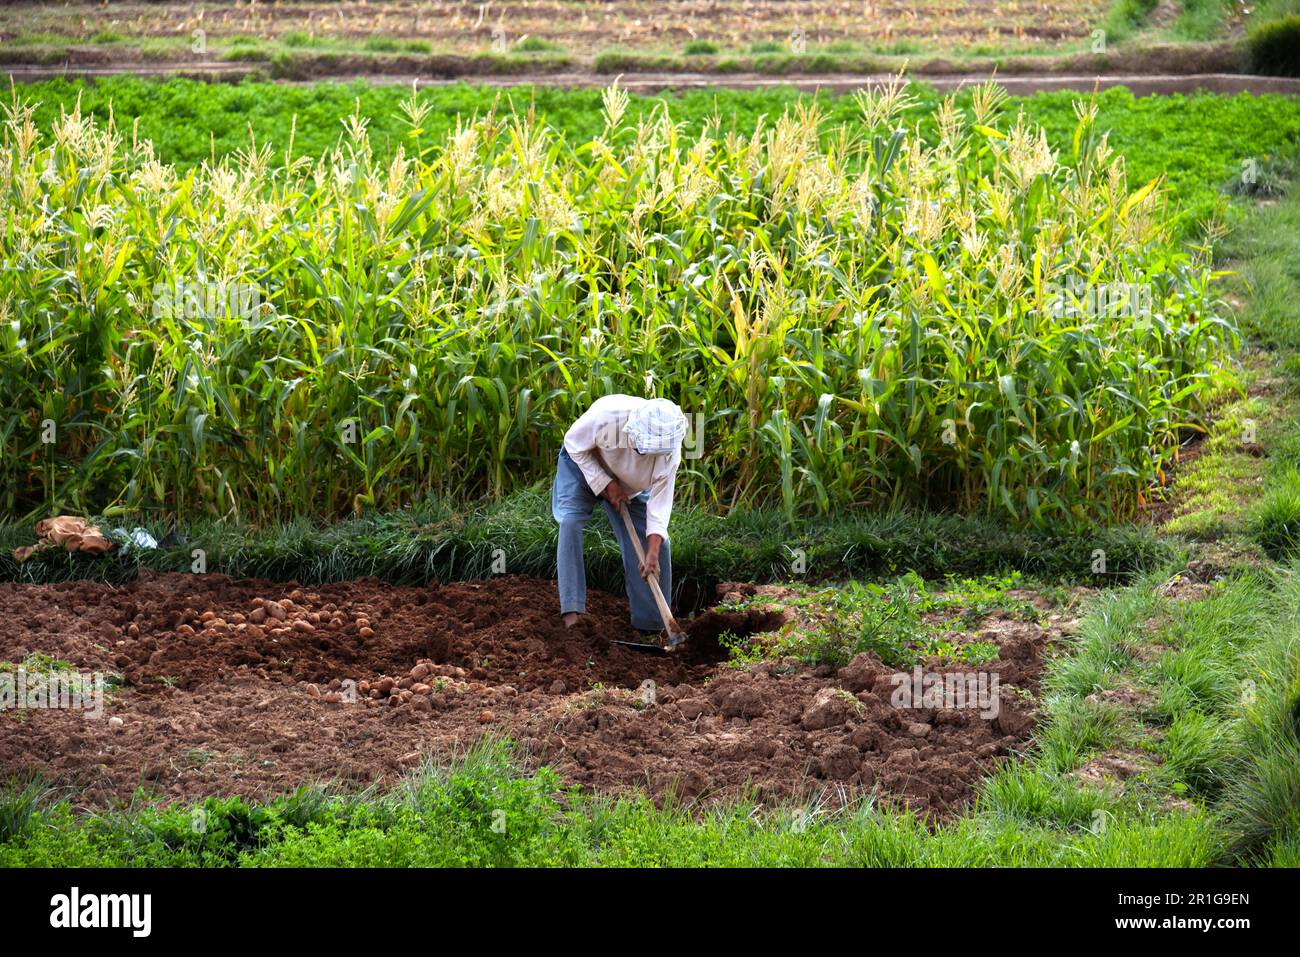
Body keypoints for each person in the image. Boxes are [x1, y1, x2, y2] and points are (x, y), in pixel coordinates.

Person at [552, 395, 687, 638]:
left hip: (631, 488)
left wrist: (652, 552)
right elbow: (573, 444)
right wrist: (605, 483)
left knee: (658, 545)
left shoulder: (669, 452)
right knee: (571, 522)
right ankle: (572, 615)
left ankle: (654, 625)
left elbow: (660, 505)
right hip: (583, 465)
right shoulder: (609, 417)